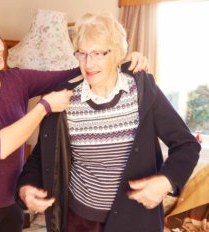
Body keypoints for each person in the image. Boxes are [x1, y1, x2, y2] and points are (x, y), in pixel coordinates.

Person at [0, 6, 148, 232]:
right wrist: (44, 107)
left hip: (10, 203)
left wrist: (122, 61)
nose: (0, 47)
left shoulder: (16, 79)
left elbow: (74, 73)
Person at [16, 11, 201, 232]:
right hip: (79, 221)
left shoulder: (142, 90)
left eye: (98, 53)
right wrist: (25, 188)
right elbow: (42, 154)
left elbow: (186, 144)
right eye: (82, 53)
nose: (88, 62)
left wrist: (167, 181)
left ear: (117, 53)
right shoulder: (64, 99)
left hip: (135, 220)